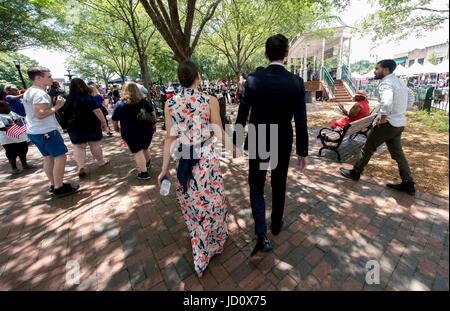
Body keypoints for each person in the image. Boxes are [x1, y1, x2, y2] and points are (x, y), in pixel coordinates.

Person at [233, 34, 308, 257]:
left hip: (259, 136)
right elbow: (301, 119)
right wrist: (303, 151)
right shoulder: (296, 82)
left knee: (256, 185)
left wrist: (237, 142)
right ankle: (276, 223)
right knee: (279, 183)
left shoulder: (253, 80)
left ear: (266, 54)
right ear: (286, 54)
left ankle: (261, 233)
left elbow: (242, 113)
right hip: (283, 138)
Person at [157, 60, 231, 278]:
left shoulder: (170, 104)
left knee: (194, 203)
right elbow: (217, 131)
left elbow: (169, 139)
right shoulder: (210, 100)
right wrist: (236, 149)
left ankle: (200, 247)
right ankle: (214, 243)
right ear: (198, 75)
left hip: (185, 158)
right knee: (213, 200)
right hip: (206, 158)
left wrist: (164, 168)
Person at [340, 59, 416, 195]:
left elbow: (386, 101)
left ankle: (355, 172)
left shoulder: (386, 83)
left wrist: (384, 117)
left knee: (367, 148)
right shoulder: (400, 83)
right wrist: (400, 112)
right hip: (399, 124)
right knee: (398, 154)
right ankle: (408, 183)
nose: (375, 71)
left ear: (385, 70)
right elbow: (411, 98)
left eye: (377, 68)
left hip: (387, 124)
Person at [22, 66, 79, 196]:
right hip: (46, 131)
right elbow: (40, 114)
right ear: (38, 78)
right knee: (60, 157)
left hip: (35, 131)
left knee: (48, 158)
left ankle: (55, 184)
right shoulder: (39, 93)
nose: (51, 78)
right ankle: (59, 187)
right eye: (49, 76)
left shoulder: (29, 91)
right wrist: (58, 106)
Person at [61, 78, 109, 178]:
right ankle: (101, 161)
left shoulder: (67, 99)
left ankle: (81, 167)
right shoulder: (88, 98)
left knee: (79, 147)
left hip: (74, 126)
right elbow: (98, 111)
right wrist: (104, 123)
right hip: (91, 124)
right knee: (94, 144)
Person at [112, 82, 156, 180]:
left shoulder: (120, 104)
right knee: (145, 147)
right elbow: (153, 113)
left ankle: (144, 173)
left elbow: (114, 119)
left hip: (130, 133)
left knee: (137, 152)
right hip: (146, 131)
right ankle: (147, 162)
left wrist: (116, 129)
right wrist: (154, 124)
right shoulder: (144, 101)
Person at [0, 101, 33, 174]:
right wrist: (14, 126)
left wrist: (20, 123)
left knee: (23, 150)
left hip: (20, 137)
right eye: (7, 106)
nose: (9, 107)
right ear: (1, 108)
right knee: (11, 154)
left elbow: (21, 119)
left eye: (9, 106)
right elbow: (2, 127)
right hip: (8, 140)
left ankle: (25, 165)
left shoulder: (12, 113)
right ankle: (14, 168)